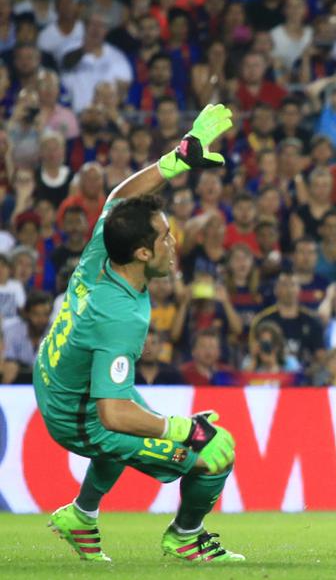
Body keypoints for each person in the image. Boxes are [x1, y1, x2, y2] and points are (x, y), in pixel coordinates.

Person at [32, 103, 245, 562]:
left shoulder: (102, 250)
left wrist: (177, 159)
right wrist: (185, 430)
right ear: (144, 253)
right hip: (79, 415)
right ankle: (185, 536)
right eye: (165, 237)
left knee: (137, 421)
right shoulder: (121, 318)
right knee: (212, 456)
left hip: (58, 377)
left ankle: (81, 515)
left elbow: (117, 196)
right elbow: (112, 414)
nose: (175, 242)